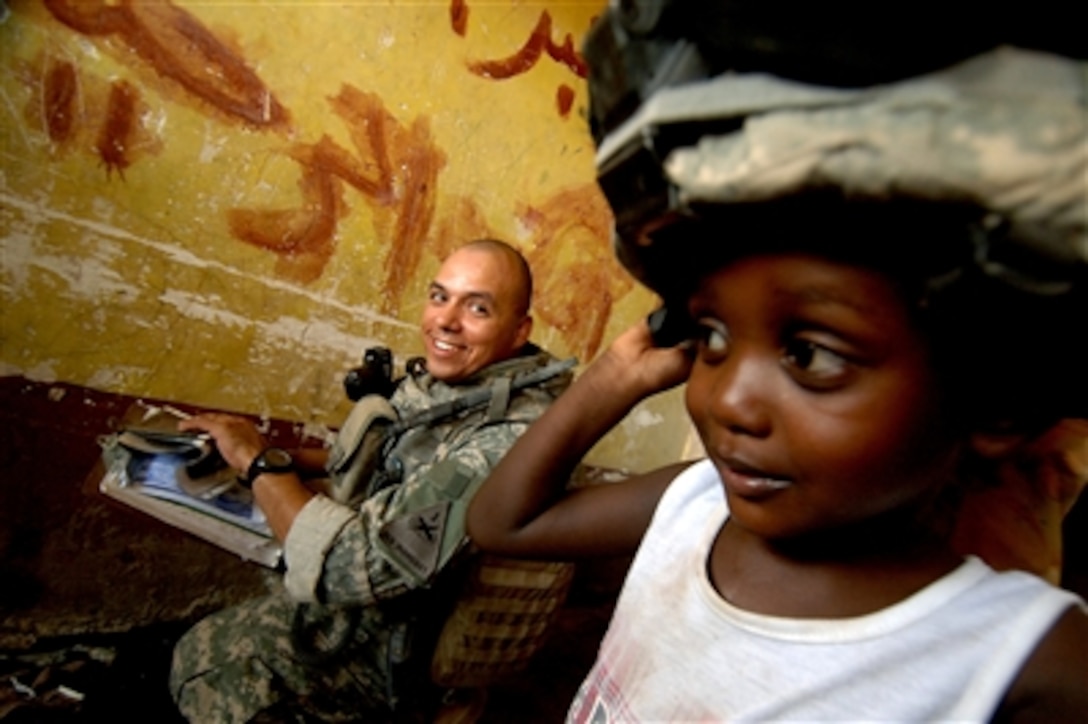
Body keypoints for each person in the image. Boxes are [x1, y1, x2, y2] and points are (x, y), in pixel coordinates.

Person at [466, 2, 1087, 720]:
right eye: (714, 338)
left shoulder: (1015, 664)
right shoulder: (692, 509)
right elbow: (501, 523)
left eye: (809, 355)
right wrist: (616, 377)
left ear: (997, 396)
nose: (726, 400)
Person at [168, 238, 573, 722]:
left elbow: (348, 568)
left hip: (399, 652)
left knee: (203, 666)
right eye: (439, 296)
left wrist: (260, 466)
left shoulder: (505, 438)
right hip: (383, 605)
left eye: (478, 308)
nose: (444, 321)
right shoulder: (466, 383)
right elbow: (389, 458)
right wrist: (276, 457)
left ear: (517, 330)